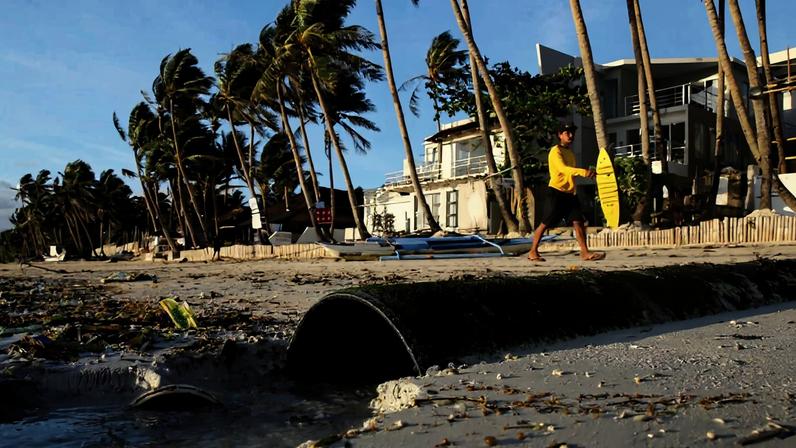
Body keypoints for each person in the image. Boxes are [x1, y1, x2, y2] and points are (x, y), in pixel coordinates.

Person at [527, 121, 605, 262]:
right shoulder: (555, 151)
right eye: (567, 133)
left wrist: (576, 187)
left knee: (578, 222)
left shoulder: (570, 153)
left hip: (569, 194)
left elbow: (570, 175)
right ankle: (533, 251)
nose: (570, 135)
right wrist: (583, 172)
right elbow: (563, 169)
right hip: (556, 192)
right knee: (545, 223)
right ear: (560, 135)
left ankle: (585, 253)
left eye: (572, 133)